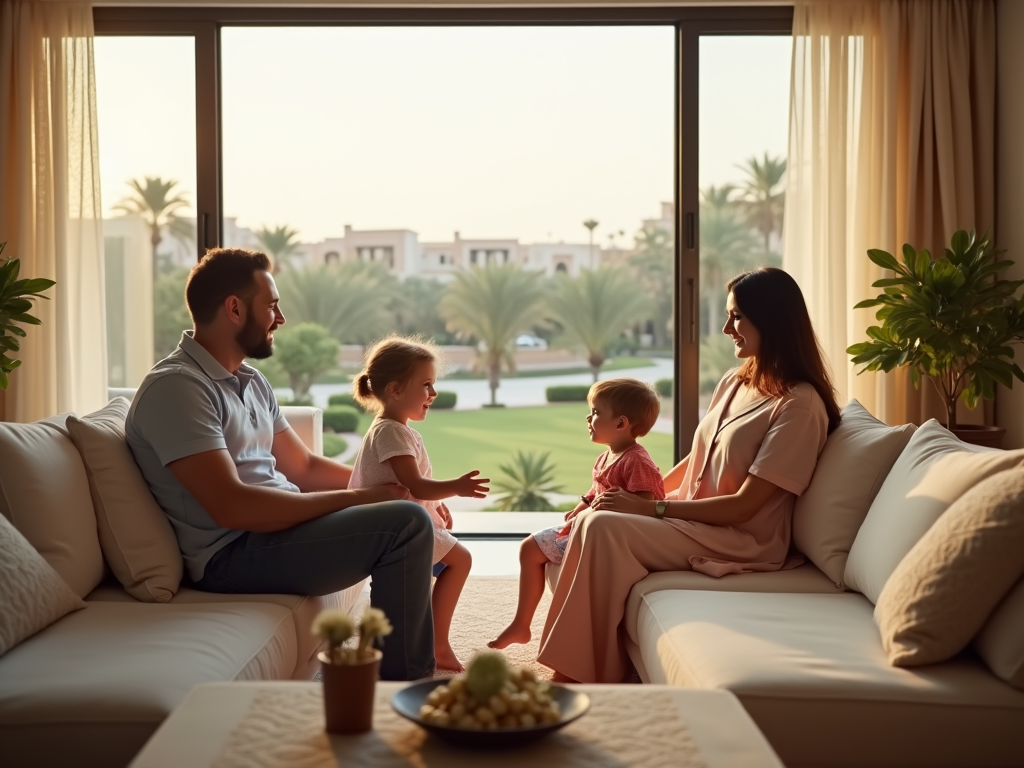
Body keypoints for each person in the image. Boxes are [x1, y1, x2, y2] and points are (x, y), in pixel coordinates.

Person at [125, 248, 436, 681]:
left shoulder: (251, 381)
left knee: (404, 513)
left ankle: (396, 675)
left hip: (276, 532)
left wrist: (401, 488)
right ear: (234, 309)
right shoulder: (178, 388)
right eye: (271, 305)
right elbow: (233, 507)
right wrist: (364, 498)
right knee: (404, 526)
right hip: (230, 553)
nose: (281, 317)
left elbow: (303, 468)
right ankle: (401, 686)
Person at [537, 267, 842, 683]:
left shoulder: (799, 407)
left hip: (741, 540)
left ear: (770, 320)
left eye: (736, 317)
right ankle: (586, 664)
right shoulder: (735, 382)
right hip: (692, 519)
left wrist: (652, 510)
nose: (725, 327)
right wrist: (639, 500)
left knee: (606, 528)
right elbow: (695, 460)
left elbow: (746, 505)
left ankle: (580, 675)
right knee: (596, 518)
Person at [488, 378, 665, 651]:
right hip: (586, 528)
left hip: (608, 540)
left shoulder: (637, 461)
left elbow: (646, 504)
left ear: (620, 423)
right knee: (529, 548)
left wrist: (608, 509)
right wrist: (582, 505)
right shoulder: (607, 456)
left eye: (596, 412)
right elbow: (597, 490)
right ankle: (521, 624)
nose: (588, 417)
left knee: (536, 551)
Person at [348, 335, 490, 673]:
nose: (433, 394)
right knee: (461, 560)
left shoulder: (396, 430)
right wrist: (455, 487)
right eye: (426, 385)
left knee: (415, 587)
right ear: (396, 390)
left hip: (404, 521)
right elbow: (414, 483)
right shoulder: (392, 432)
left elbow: (410, 485)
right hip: (396, 527)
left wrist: (434, 503)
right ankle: (438, 644)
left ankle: (389, 643)